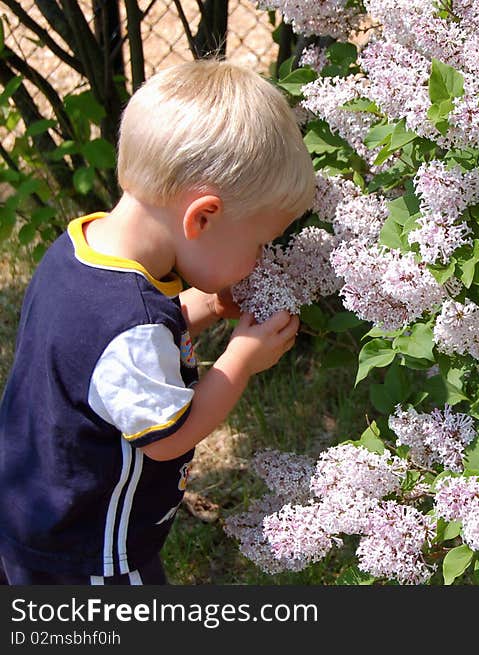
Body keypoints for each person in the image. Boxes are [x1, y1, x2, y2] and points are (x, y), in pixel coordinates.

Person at [0, 59, 315, 584]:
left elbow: (115, 351)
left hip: (34, 513)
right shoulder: (131, 322)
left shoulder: (83, 249)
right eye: (257, 243)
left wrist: (211, 305)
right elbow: (170, 436)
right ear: (203, 217)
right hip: (92, 554)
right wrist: (240, 359)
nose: (260, 260)